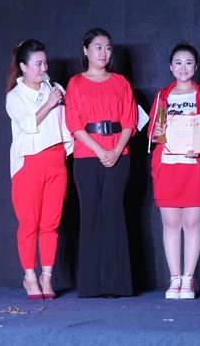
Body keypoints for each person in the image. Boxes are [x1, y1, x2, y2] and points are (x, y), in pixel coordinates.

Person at [65, 28, 137, 298]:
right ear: (85, 50)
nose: (103, 53)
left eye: (107, 47)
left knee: (113, 212)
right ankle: (91, 285)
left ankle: (117, 284)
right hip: (87, 155)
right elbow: (74, 123)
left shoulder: (120, 82)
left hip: (119, 153)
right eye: (97, 47)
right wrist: (99, 150)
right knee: (90, 214)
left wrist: (116, 150)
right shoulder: (75, 83)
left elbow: (130, 120)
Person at [147, 43, 200, 300]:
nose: (183, 67)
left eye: (188, 62)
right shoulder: (163, 96)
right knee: (171, 224)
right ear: (170, 67)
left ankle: (188, 279)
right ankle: (174, 278)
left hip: (194, 168)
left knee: (192, 223)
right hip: (168, 167)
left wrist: (199, 147)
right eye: (178, 62)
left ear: (196, 67)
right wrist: (157, 133)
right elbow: (154, 133)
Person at [5, 39, 73, 300]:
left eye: (45, 63)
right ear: (23, 66)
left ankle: (47, 275)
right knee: (29, 223)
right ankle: (29, 276)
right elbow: (28, 125)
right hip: (29, 163)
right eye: (38, 64)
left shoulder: (54, 88)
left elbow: (66, 124)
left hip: (56, 160)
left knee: (50, 223)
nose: (44, 68)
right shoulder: (15, 96)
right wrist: (50, 103)